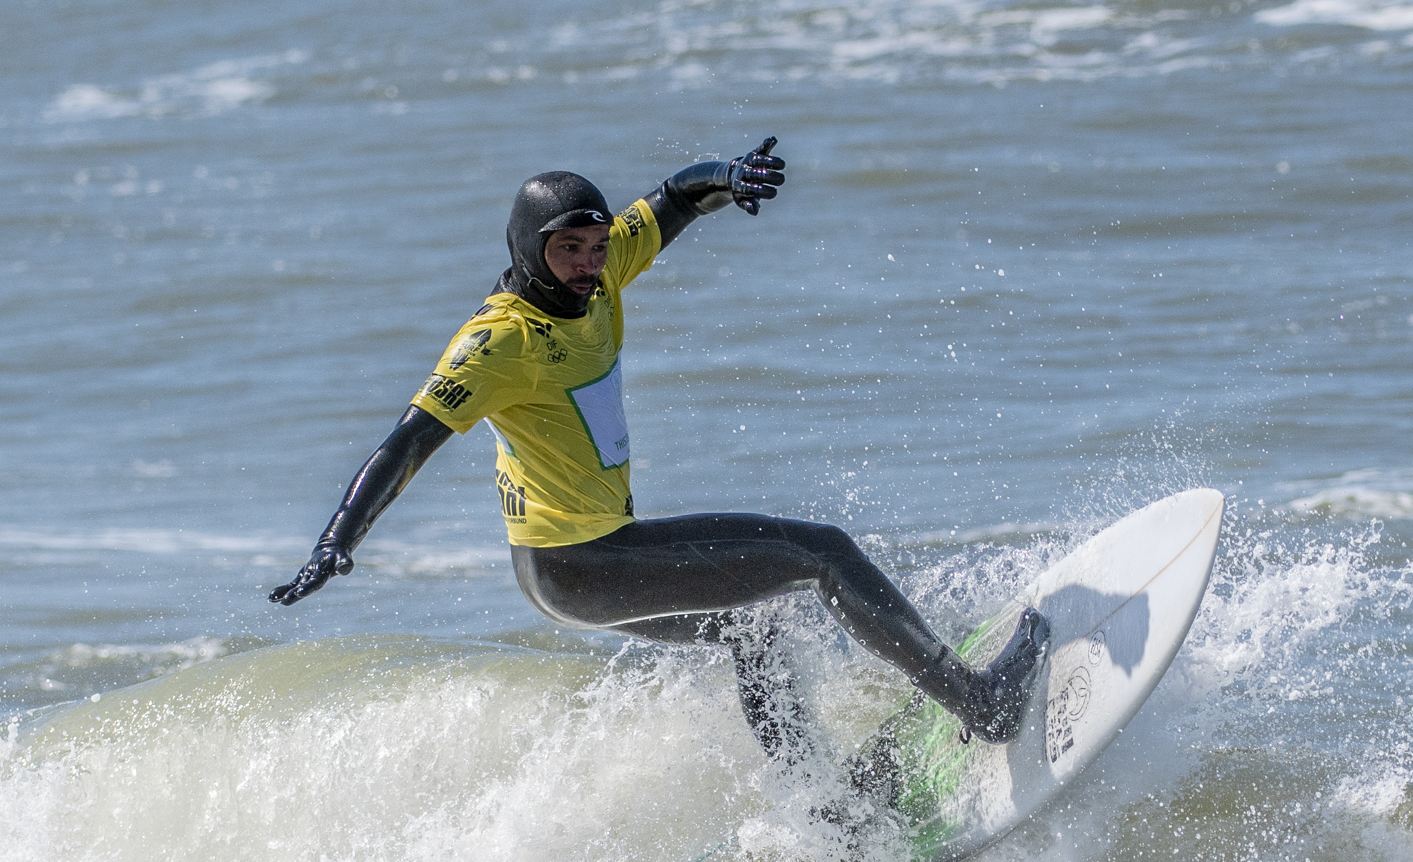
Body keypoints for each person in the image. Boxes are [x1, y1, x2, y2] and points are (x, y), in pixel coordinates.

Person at [266, 136, 1047, 766]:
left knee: (755, 626)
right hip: (576, 565)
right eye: (568, 249)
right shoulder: (500, 342)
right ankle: (981, 703)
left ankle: (829, 811)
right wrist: (338, 538)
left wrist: (729, 177)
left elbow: (675, 198)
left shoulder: (601, 278)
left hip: (583, 558)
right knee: (824, 554)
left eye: (596, 245)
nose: (587, 263)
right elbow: (407, 442)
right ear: (529, 249)